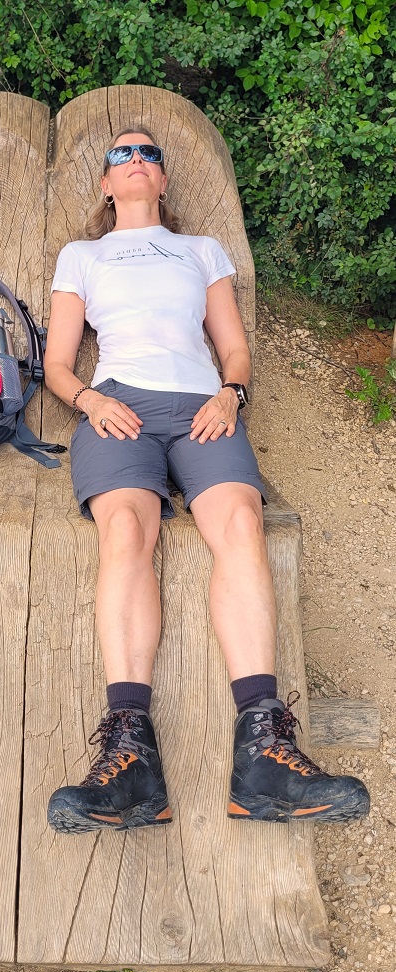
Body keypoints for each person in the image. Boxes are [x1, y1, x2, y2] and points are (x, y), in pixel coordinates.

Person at [43, 127, 370, 834]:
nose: (135, 161)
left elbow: (233, 347)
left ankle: (265, 754)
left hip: (202, 408)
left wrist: (230, 394)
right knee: (126, 530)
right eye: (121, 155)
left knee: (243, 524)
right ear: (106, 184)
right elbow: (57, 364)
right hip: (118, 406)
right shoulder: (82, 256)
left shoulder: (200, 250)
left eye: (148, 154)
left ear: (162, 180)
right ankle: (129, 758)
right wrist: (90, 401)